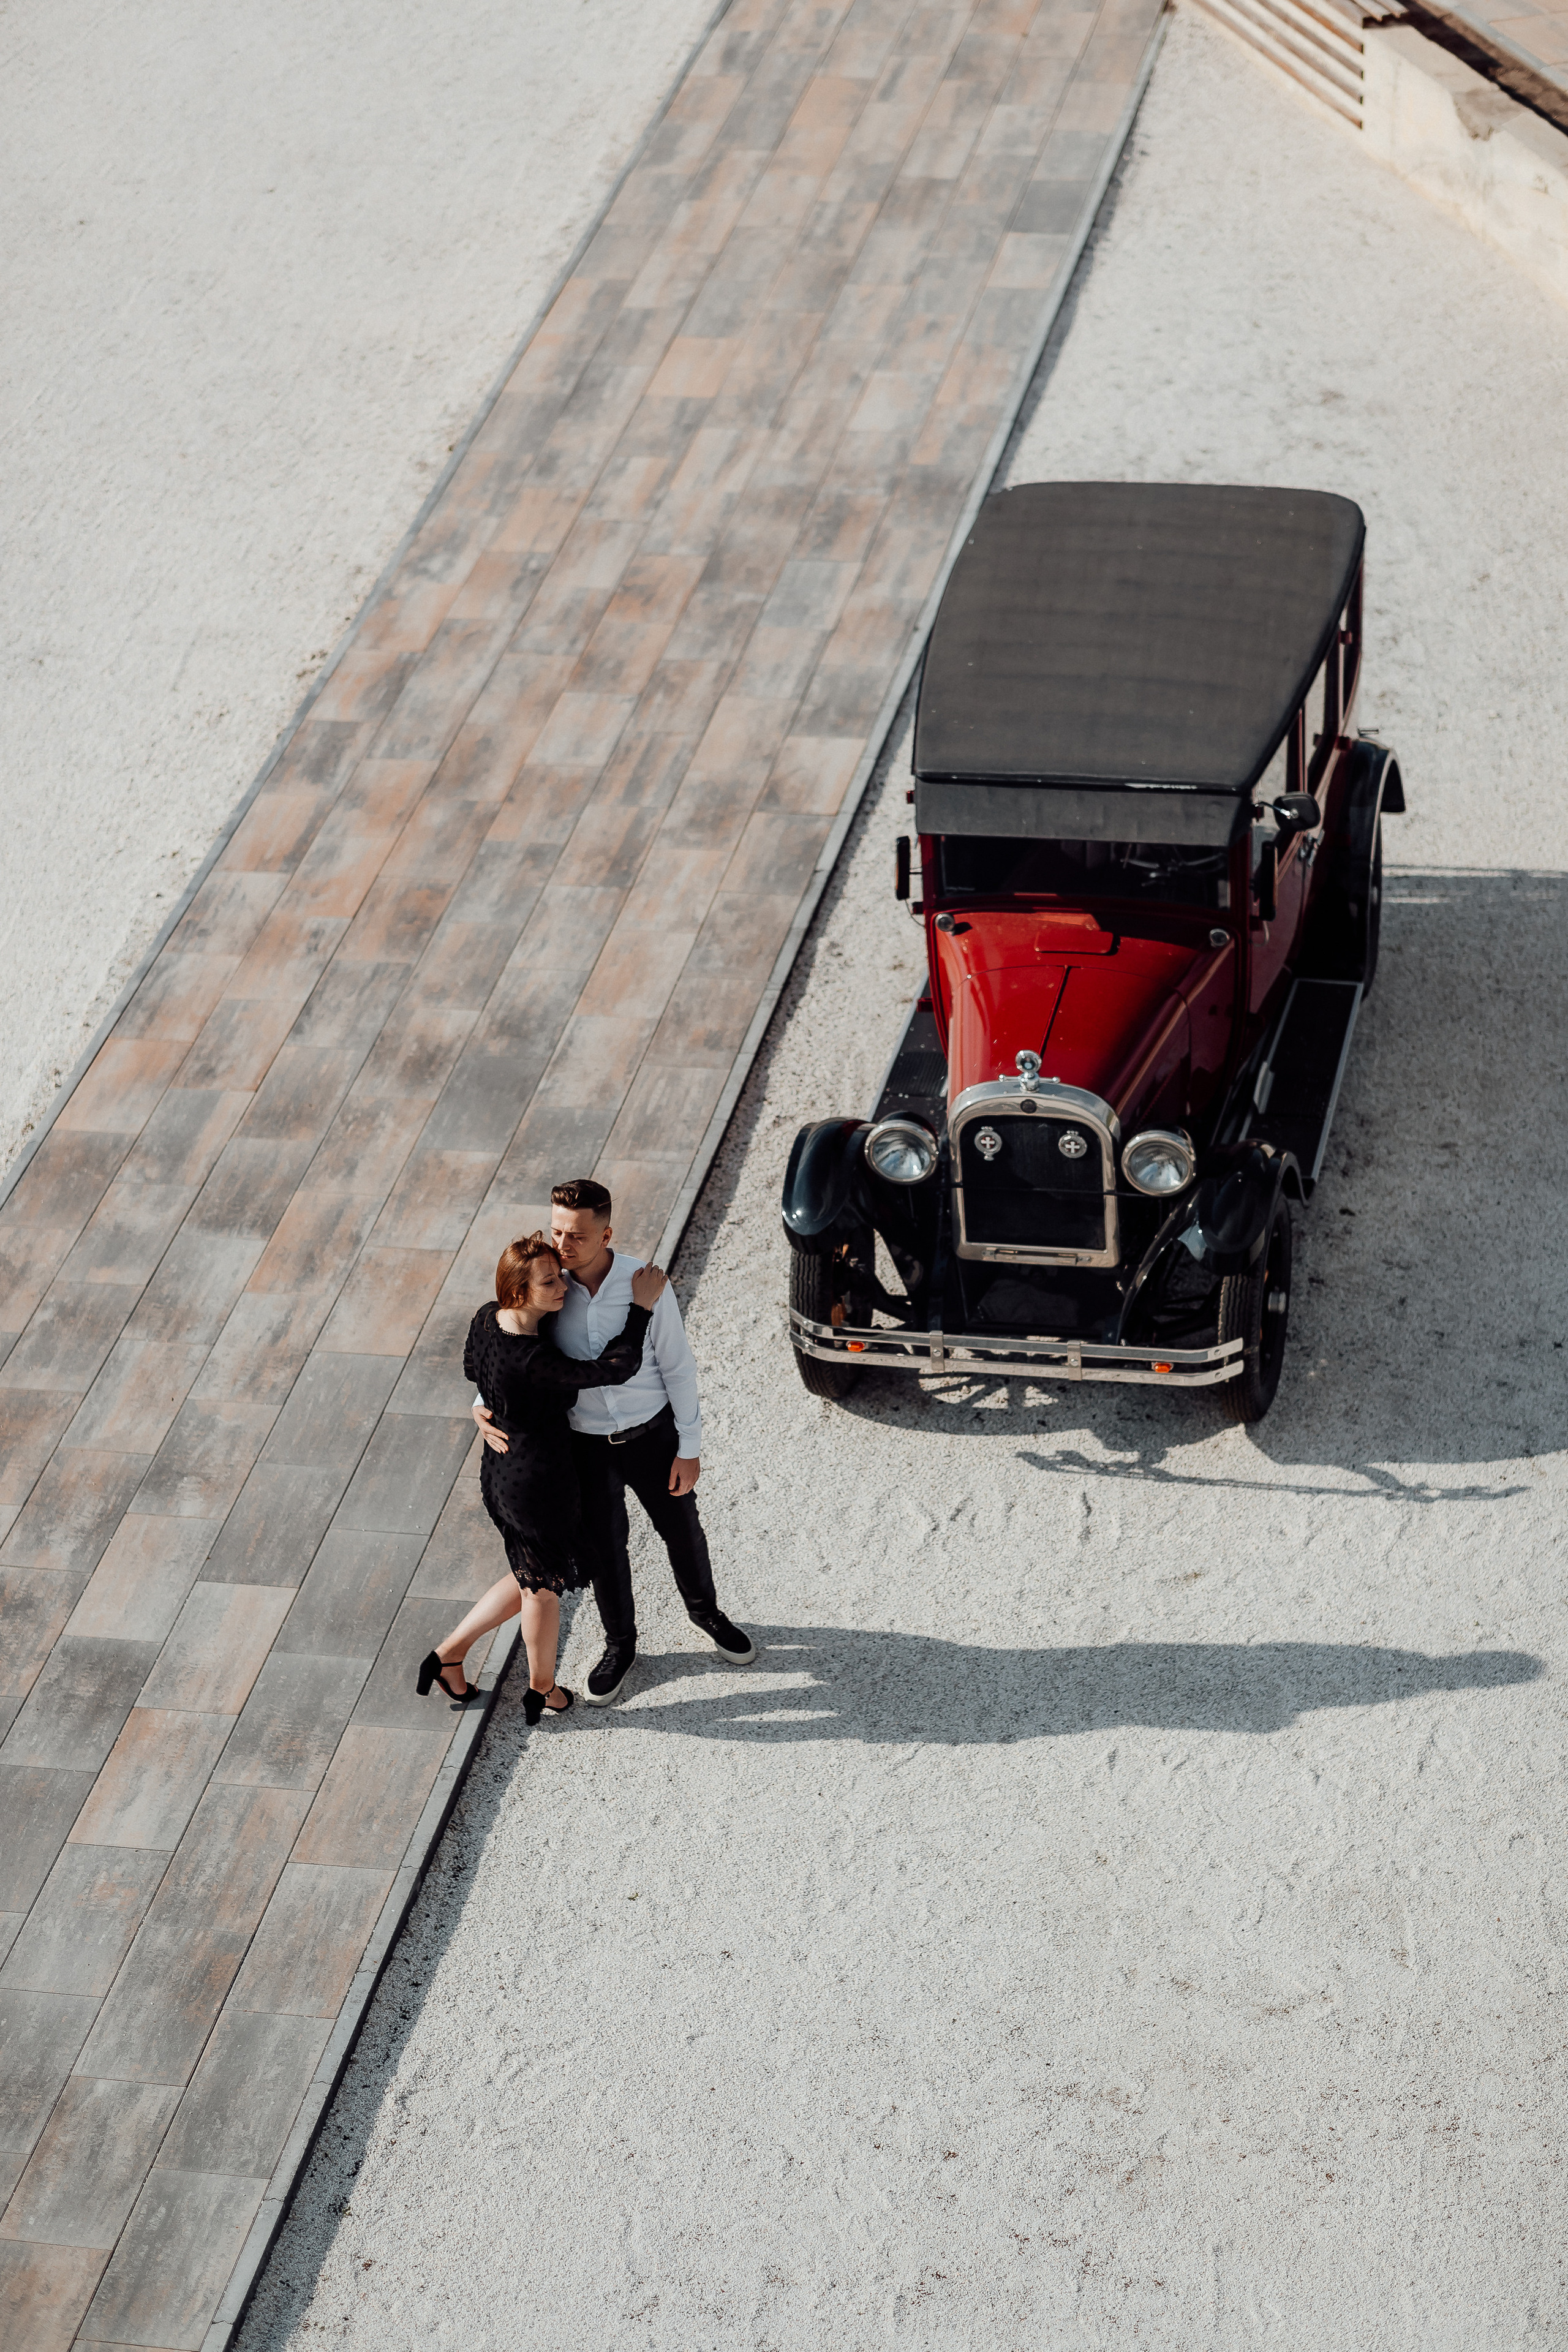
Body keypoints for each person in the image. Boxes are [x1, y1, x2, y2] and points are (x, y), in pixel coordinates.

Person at [474, 1177, 755, 1707]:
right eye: (558, 1230)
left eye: (576, 1235)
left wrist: (689, 1447)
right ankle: (620, 1646)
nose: (563, 1245)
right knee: (606, 1549)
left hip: (651, 1435)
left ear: (606, 1234)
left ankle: (707, 1615)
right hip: (582, 1447)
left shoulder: (643, 1283)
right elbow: (508, 1342)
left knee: (683, 1531)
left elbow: (678, 1366)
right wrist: (480, 1406)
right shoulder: (545, 1286)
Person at [417, 1231, 668, 1725]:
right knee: (543, 1590)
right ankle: (543, 1690)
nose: (565, 1288)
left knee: (530, 1572)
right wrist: (640, 1308)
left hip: (500, 1475)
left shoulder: (488, 1318)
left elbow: (476, 1370)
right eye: (550, 1282)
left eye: (559, 1276)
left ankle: (448, 1655)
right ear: (519, 1291)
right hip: (539, 1484)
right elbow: (617, 1368)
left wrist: (484, 1411)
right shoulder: (535, 1360)